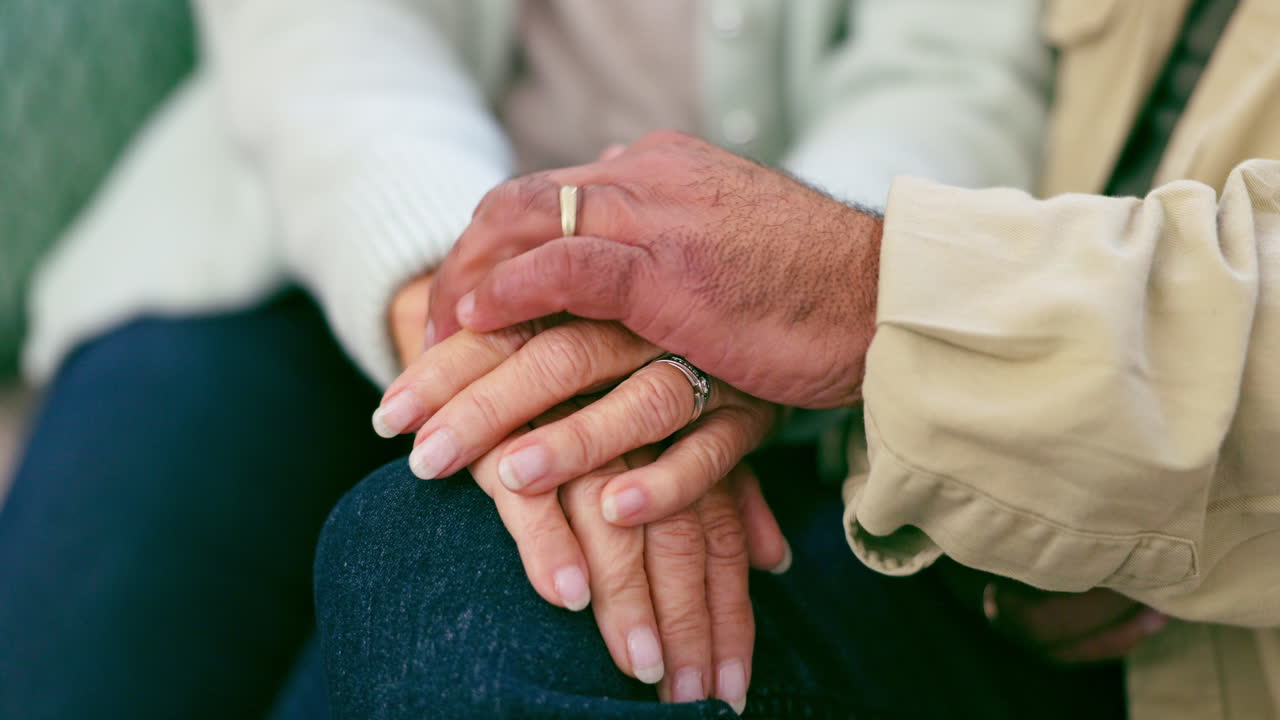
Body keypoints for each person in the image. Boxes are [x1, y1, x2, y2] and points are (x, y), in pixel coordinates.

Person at [0, 1, 1050, 718]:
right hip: (294, 235)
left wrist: (770, 296)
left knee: (444, 615)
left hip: (748, 320)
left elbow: (948, 77)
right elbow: (317, 26)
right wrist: (475, 309)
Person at [320, 0, 1280, 718]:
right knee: (436, 535)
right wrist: (480, 318)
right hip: (929, 477)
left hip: (1165, 605)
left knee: (449, 550)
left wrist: (846, 292)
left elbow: (948, 70)